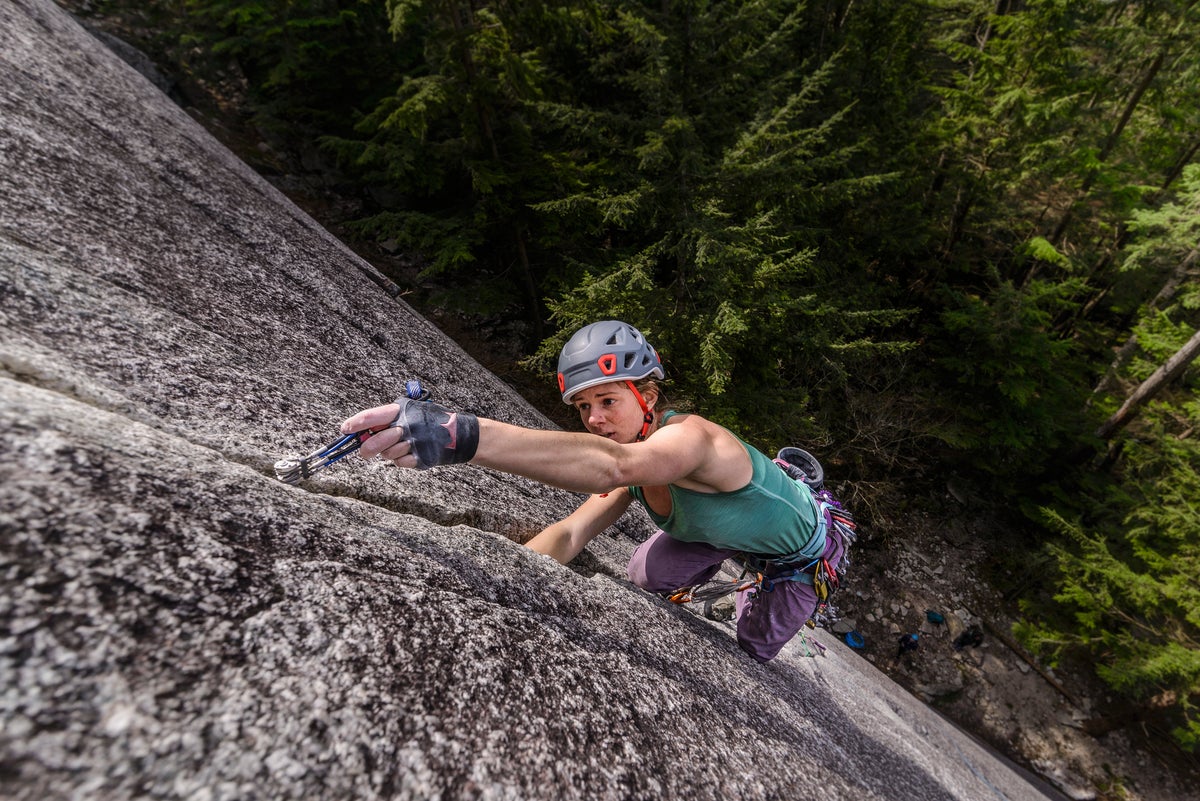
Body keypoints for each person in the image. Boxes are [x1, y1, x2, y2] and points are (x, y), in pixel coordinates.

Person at [340, 320, 850, 662]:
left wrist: (463, 434)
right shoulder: (637, 466)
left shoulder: (693, 440)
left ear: (646, 395)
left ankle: (747, 592)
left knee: (754, 645)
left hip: (800, 555)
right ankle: (716, 555)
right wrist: (495, 584)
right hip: (719, 531)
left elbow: (612, 466)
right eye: (583, 409)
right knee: (642, 574)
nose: (595, 420)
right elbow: (569, 533)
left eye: (607, 401)